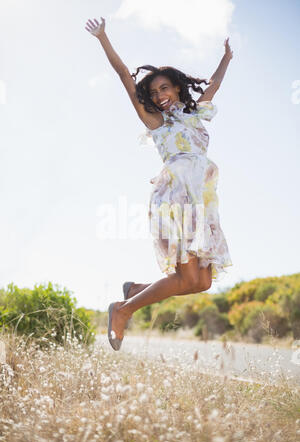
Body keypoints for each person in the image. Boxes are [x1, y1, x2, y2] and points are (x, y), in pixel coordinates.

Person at [85, 17, 233, 350]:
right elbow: (125, 76)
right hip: (175, 198)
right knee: (184, 277)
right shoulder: (156, 123)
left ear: (177, 87)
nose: (160, 95)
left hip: (202, 202)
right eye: (154, 92)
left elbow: (214, 81)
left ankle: (136, 289)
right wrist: (103, 38)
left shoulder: (196, 115)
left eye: (164, 88)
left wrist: (227, 57)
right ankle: (123, 310)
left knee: (202, 282)